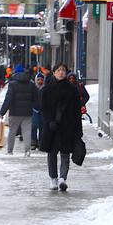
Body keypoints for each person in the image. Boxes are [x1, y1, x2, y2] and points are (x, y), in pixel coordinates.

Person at [39, 63, 84, 192]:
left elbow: (76, 111)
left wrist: (78, 129)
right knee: (52, 153)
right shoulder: (46, 89)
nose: (61, 72)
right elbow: (44, 109)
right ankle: (53, 178)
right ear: (53, 72)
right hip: (52, 127)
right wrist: (49, 122)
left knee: (65, 153)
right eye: (58, 70)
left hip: (67, 126)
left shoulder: (72, 89)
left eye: (63, 70)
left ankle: (63, 179)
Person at [0, 65, 35, 156]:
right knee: (27, 131)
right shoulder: (31, 84)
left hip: (14, 112)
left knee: (12, 131)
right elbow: (35, 98)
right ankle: (27, 150)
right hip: (27, 112)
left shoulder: (12, 84)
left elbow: (8, 99)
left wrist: (2, 111)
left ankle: (10, 151)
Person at [31, 72, 46, 150]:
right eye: (38, 80)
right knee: (34, 126)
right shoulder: (33, 88)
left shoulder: (45, 89)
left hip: (43, 110)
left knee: (42, 127)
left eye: (41, 80)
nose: (40, 81)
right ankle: (33, 141)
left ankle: (41, 142)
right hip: (34, 110)